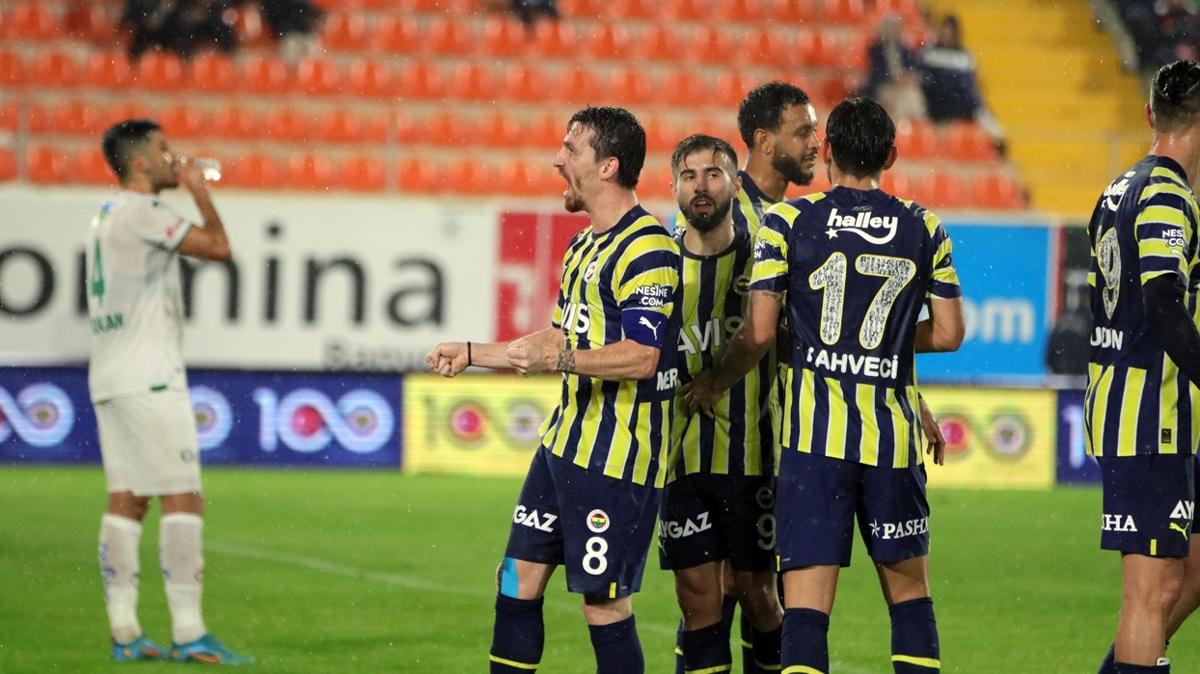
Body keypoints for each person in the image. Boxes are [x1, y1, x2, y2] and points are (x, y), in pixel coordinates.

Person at [685, 97, 965, 674]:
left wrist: (714, 380)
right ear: (891, 155)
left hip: (815, 446)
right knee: (910, 599)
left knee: (807, 609)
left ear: (830, 150)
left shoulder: (790, 222)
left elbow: (760, 331)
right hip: (892, 444)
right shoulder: (923, 225)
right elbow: (949, 333)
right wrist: (881, 344)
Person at [425, 106, 680, 674]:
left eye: (571, 149)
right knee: (516, 578)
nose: (557, 159)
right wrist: (473, 353)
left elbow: (643, 356)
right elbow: (561, 335)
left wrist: (559, 359)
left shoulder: (649, 249)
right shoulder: (584, 246)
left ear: (608, 166)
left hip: (617, 457)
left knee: (603, 604)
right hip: (563, 444)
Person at [669, 80, 818, 674]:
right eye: (803, 132)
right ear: (764, 140)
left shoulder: (800, 222)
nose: (815, 143)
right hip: (701, 439)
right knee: (708, 592)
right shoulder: (720, 214)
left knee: (753, 591)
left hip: (769, 439)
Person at [88, 119, 251, 664]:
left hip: (109, 375)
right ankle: (189, 633)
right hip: (149, 377)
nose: (172, 156)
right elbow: (219, 248)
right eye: (162, 149)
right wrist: (199, 192)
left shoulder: (105, 213)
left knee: (128, 499)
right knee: (183, 496)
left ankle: (125, 632)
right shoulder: (143, 210)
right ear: (139, 162)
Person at [1087, 59, 1200, 674]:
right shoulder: (1165, 194)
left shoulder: (1120, 187)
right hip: (1149, 412)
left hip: (1142, 403)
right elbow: (1162, 304)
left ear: (1150, 113)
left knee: (1185, 575)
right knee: (1151, 591)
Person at [660, 134, 782, 674]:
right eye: (688, 176)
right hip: (679, 459)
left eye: (713, 174)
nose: (701, 186)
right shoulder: (658, 263)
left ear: (735, 183)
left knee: (758, 595)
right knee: (696, 600)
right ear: (674, 188)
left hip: (753, 457)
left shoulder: (766, 259)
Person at [918, 14, 1005, 151]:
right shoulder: (929, 53)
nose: (946, 34)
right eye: (944, 30)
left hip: (962, 103)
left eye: (950, 31)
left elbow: (972, 83)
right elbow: (925, 81)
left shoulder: (965, 56)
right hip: (937, 103)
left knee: (980, 108)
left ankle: (999, 143)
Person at [865, 14, 927, 122]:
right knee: (902, 100)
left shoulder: (905, 49)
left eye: (895, 28)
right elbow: (875, 73)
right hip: (885, 86)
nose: (893, 31)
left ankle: (916, 125)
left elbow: (914, 67)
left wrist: (909, 76)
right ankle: (901, 125)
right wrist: (894, 79)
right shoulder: (875, 50)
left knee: (913, 94)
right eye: (890, 28)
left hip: (903, 87)